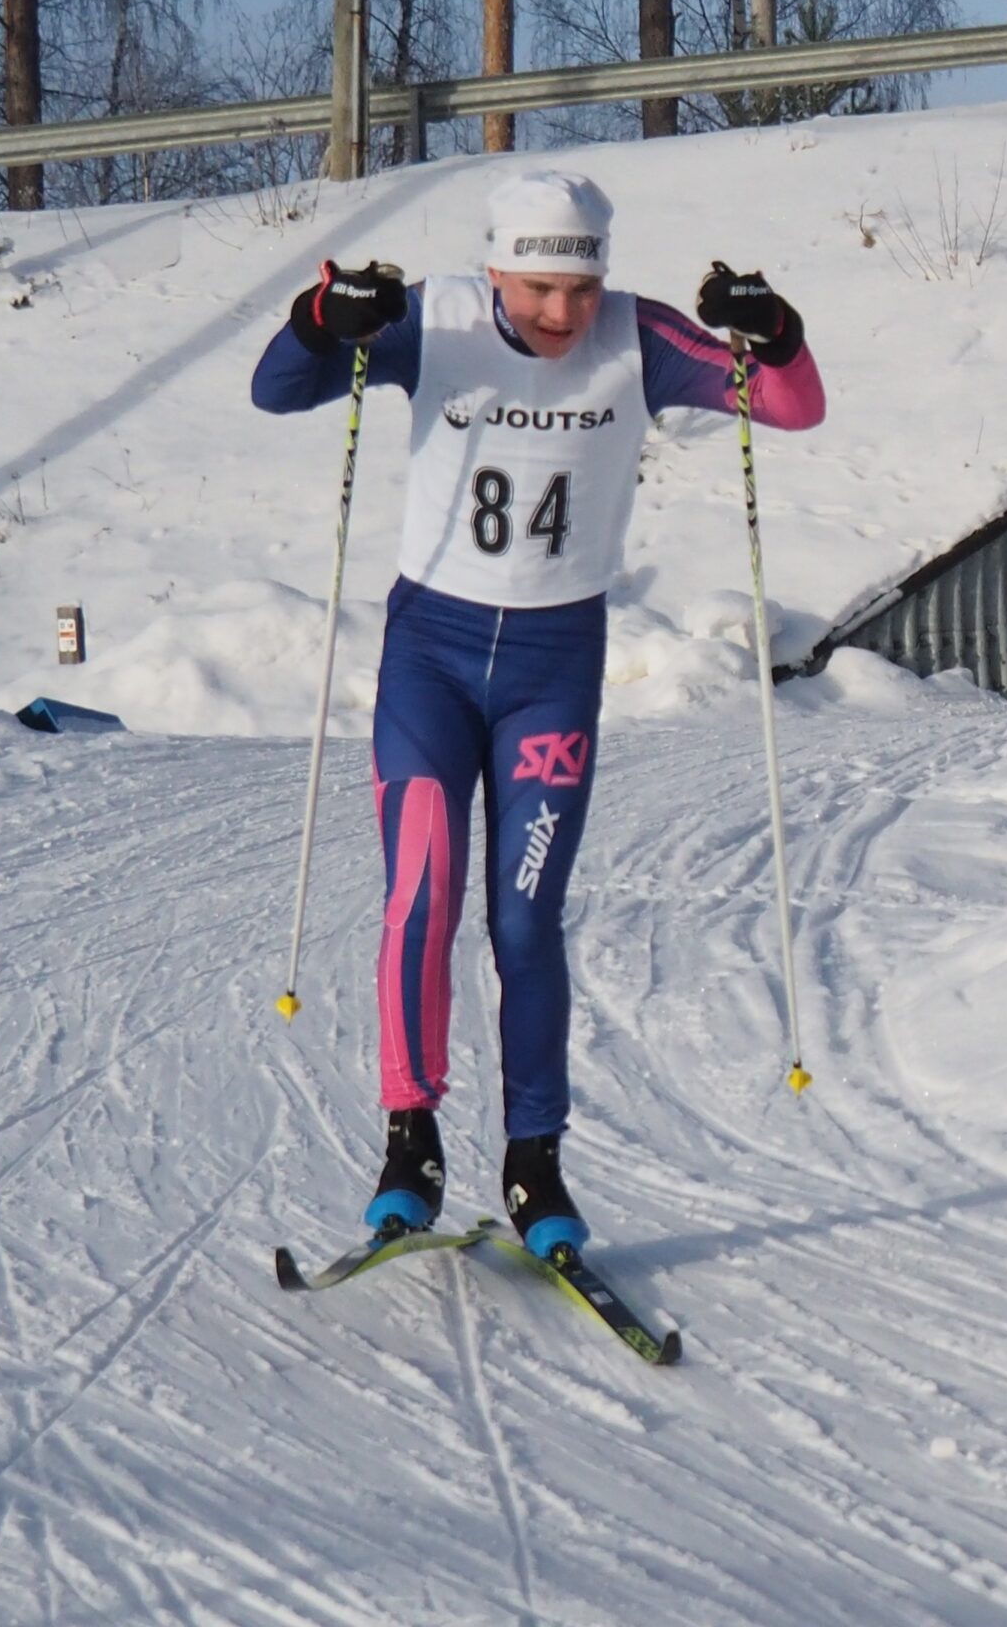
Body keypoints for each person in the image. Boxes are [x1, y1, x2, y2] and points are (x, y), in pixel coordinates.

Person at [251, 169, 826, 1257]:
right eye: (538, 289)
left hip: (552, 670)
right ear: (496, 270)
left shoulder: (637, 338)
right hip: (431, 658)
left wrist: (774, 328)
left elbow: (792, 404)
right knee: (421, 897)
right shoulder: (434, 320)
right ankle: (409, 1144)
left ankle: (535, 1161)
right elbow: (278, 390)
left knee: (523, 918)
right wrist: (324, 316)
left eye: (582, 286)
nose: (563, 312)